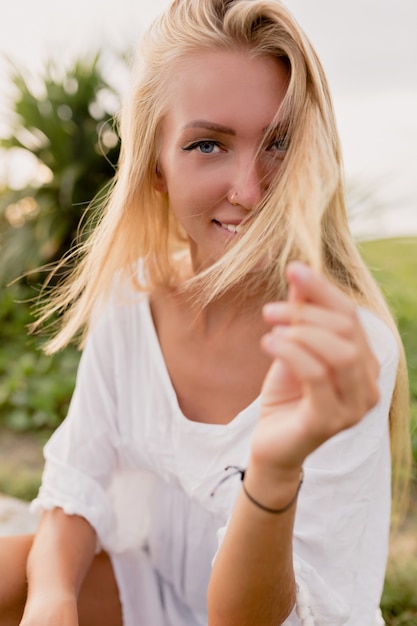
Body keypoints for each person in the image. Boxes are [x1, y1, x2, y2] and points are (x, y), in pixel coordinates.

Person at [0, 0, 411, 624]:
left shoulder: (348, 350)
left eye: (279, 142)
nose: (249, 190)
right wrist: (51, 598)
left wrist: (273, 470)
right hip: (152, 589)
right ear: (156, 166)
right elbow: (75, 475)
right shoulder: (131, 297)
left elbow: (250, 617)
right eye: (207, 144)